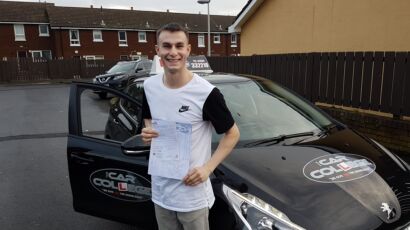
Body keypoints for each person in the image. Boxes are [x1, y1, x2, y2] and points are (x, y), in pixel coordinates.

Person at [141, 23, 240, 230]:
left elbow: (232, 134)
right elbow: (148, 119)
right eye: (166, 46)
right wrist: (148, 132)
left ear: (188, 49)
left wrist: (207, 168)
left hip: (192, 196)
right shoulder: (149, 87)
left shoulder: (206, 93)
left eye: (179, 46)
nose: (173, 52)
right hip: (160, 192)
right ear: (158, 50)